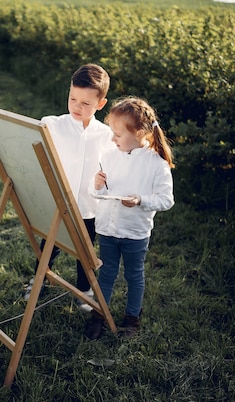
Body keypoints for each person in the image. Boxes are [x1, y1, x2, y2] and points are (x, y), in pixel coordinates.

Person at [24, 64, 114, 313]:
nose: (77, 106)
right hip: (57, 203)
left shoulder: (105, 135)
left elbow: (110, 168)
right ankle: (39, 279)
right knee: (49, 245)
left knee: (85, 250)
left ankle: (84, 291)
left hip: (88, 205)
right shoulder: (52, 125)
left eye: (86, 103)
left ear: (100, 104)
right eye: (73, 98)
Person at [84, 96, 175, 339]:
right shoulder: (109, 155)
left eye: (117, 134)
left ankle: (131, 319)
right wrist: (97, 185)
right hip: (108, 229)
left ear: (140, 133)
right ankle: (99, 314)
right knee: (107, 273)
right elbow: (99, 193)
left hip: (135, 232)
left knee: (134, 275)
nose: (112, 139)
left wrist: (140, 200)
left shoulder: (157, 163)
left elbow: (166, 200)